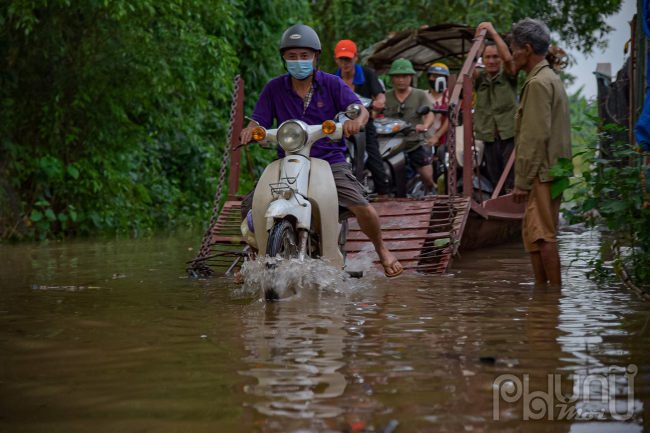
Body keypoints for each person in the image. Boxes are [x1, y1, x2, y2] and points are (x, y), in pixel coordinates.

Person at [238, 25, 403, 278]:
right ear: (284, 58)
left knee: (362, 206)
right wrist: (251, 130)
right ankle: (251, 260)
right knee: (251, 205)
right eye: (291, 56)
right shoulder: (273, 88)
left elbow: (359, 109)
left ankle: (382, 251)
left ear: (316, 57)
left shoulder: (332, 83)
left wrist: (355, 120)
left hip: (329, 161)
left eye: (304, 56)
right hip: (288, 160)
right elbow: (257, 120)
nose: (298, 61)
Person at [508, 18, 572, 286]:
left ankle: (551, 304)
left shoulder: (537, 83)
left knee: (542, 235)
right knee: (535, 235)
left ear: (525, 49)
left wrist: (521, 182)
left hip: (542, 172)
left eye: (513, 50)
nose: (511, 56)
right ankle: (543, 299)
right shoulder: (549, 78)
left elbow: (534, 137)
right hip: (554, 170)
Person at [333, 39, 391, 198]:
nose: (344, 63)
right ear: (336, 59)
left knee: (374, 158)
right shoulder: (332, 79)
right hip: (339, 124)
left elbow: (380, 94)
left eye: (348, 59)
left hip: (363, 123)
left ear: (356, 57)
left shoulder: (367, 74)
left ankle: (384, 195)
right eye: (341, 59)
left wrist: (380, 102)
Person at [473, 22, 519, 193]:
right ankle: (499, 215)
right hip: (490, 138)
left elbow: (508, 59)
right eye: (487, 57)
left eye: (495, 57)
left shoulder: (508, 75)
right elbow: (468, 68)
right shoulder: (480, 78)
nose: (491, 61)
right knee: (494, 180)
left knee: (512, 180)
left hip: (510, 136)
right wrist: (479, 42)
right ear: (482, 60)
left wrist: (492, 31)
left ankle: (515, 216)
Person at [383, 59, 435, 193]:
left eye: (404, 76)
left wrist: (424, 126)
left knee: (428, 177)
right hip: (391, 146)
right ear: (392, 78)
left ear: (411, 77)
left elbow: (430, 114)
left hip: (415, 143)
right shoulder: (385, 96)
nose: (401, 80)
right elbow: (372, 112)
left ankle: (430, 195)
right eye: (397, 76)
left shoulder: (419, 95)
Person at [424, 63, 450, 177]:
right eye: (434, 76)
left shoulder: (451, 96)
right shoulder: (423, 95)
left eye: (441, 77)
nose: (437, 79)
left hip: (445, 142)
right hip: (425, 141)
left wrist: (437, 137)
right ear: (429, 77)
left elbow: (452, 118)